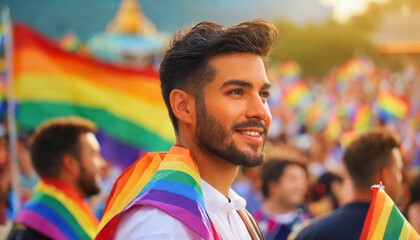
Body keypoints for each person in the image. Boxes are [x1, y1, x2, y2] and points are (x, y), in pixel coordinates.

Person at [96, 19, 279, 240]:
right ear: (183, 106)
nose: (261, 111)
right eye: (236, 92)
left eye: (263, 95)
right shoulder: (161, 227)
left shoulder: (237, 214)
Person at [293, 128, 404, 240]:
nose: (400, 179)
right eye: (398, 171)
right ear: (384, 176)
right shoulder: (402, 235)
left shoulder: (310, 234)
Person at [7, 117, 106, 240]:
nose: (102, 164)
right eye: (94, 155)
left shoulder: (36, 216)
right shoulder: (40, 226)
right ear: (70, 164)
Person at [253, 159, 311, 240]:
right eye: (293, 179)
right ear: (273, 185)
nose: (302, 186)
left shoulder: (308, 225)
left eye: (303, 180)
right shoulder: (252, 225)